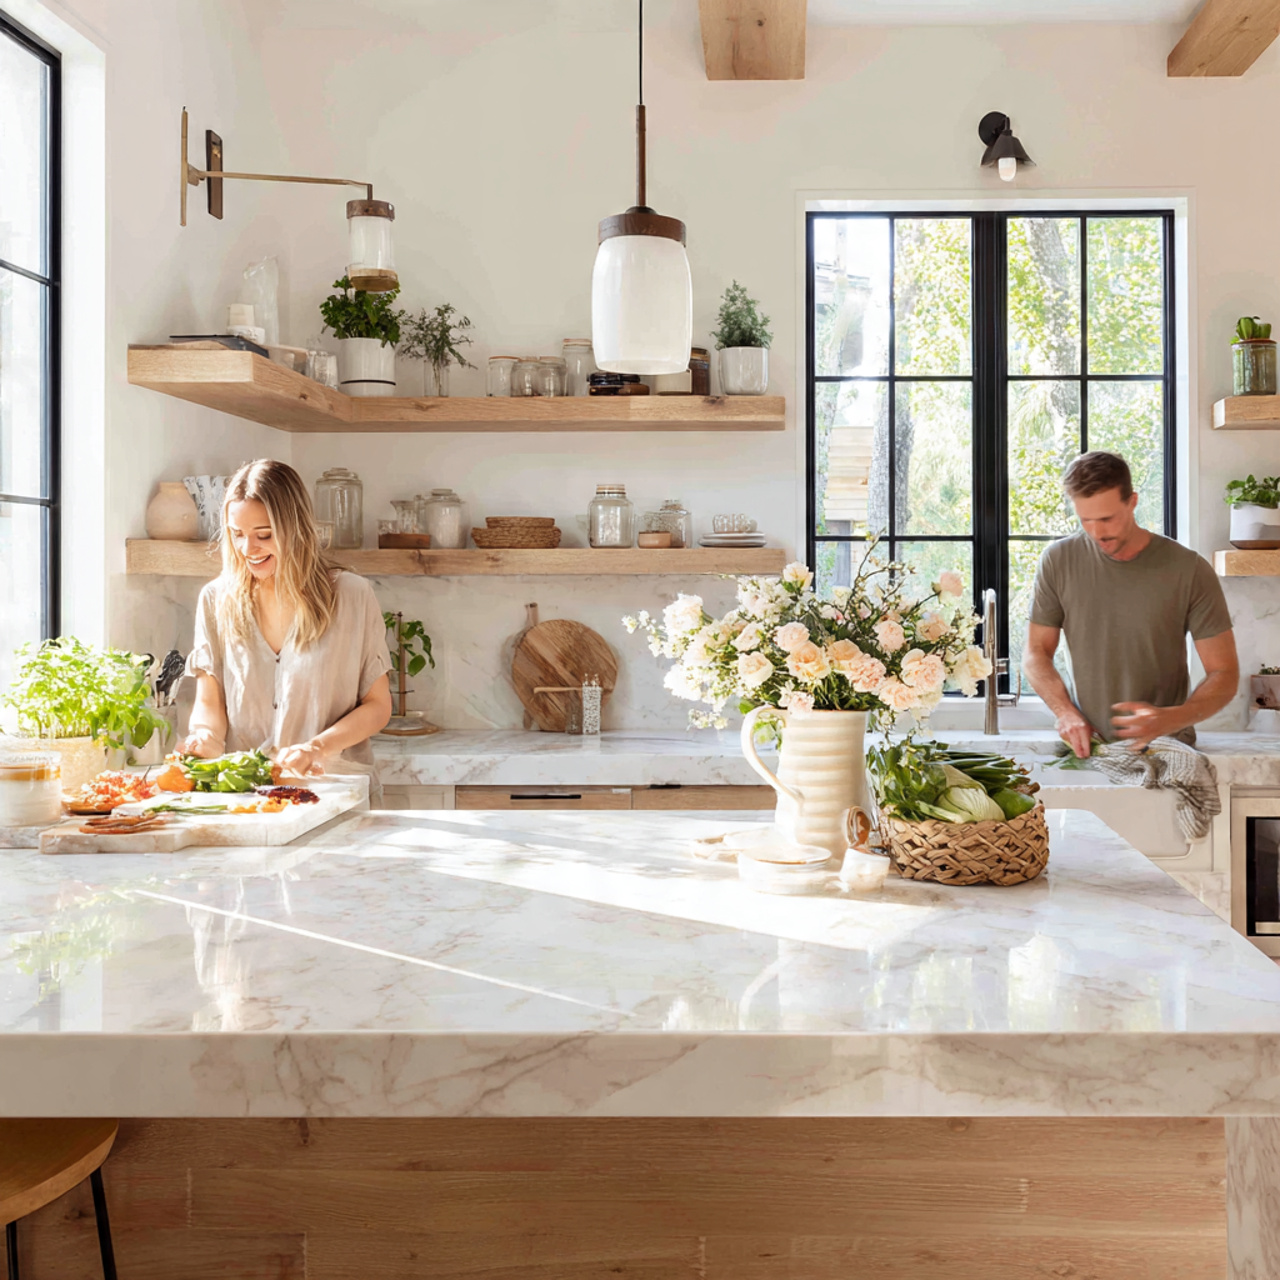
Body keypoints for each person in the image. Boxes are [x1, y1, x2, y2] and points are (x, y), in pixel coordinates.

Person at [180, 458, 393, 793]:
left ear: (295, 527)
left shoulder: (351, 595)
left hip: (333, 791)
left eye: (263, 535)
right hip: (247, 796)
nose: (248, 549)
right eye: (237, 535)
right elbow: (210, 703)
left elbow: (378, 706)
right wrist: (204, 737)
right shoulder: (215, 600)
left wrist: (317, 747)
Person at [1023, 450, 1238, 757]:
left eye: (1107, 518)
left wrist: (1169, 720)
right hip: (1090, 751)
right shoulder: (1058, 561)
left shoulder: (1188, 569)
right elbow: (1035, 653)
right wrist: (1065, 712)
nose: (1097, 532)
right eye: (1086, 520)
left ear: (1132, 501)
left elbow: (1224, 673)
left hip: (1167, 751)